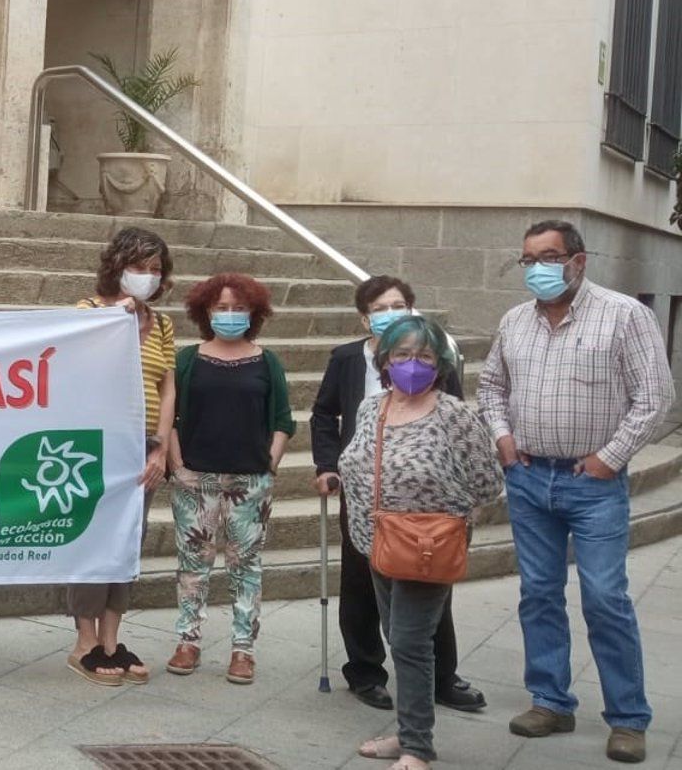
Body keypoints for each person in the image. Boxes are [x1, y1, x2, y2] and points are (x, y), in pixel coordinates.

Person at [479, 220, 674, 764]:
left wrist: (610, 459)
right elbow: (492, 385)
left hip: (593, 485)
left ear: (579, 260)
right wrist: (503, 438)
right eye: (528, 260)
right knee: (538, 593)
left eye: (549, 256)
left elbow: (655, 397)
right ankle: (550, 700)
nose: (538, 268)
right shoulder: (514, 321)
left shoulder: (624, 315)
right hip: (528, 477)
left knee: (605, 598)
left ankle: (628, 718)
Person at [311, 276, 486, 714]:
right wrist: (328, 466)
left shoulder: (434, 358)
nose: (389, 312)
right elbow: (323, 414)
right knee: (360, 584)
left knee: (428, 593)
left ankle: (442, 676)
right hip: (365, 494)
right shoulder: (347, 359)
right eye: (379, 306)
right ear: (365, 317)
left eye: (398, 305)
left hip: (425, 504)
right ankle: (366, 673)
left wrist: (457, 504)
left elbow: (464, 436)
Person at [338, 315, 503, 770]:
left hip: (427, 546)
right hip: (377, 543)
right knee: (397, 638)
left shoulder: (455, 415)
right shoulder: (372, 408)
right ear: (385, 361)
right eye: (403, 355)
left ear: (441, 364)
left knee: (410, 642)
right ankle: (408, 732)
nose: (413, 364)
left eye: (425, 356)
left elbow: (488, 483)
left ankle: (416, 748)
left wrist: (444, 513)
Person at [164, 273, 294, 685]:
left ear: (254, 313)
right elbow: (170, 416)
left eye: (239, 308)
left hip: (249, 481)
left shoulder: (267, 361)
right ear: (205, 311)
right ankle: (188, 640)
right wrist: (178, 464)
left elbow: (282, 420)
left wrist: (269, 465)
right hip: (195, 478)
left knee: (246, 566)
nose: (230, 315)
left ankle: (243, 649)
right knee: (192, 565)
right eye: (221, 307)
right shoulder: (187, 359)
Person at [66, 228, 175, 686]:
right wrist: (116, 317)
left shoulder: (163, 324)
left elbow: (167, 385)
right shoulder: (88, 312)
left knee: (128, 542)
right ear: (116, 267)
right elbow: (77, 365)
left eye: (155, 270)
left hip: (143, 447)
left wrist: (163, 446)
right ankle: (85, 641)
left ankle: (113, 638)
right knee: (92, 540)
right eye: (138, 268)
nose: (146, 278)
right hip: (97, 447)